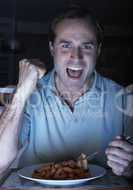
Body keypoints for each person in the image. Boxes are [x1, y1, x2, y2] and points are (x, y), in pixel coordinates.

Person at [0, 6, 133, 178]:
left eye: (86, 46)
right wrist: (21, 91)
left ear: (98, 50)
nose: (76, 57)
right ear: (52, 49)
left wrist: (130, 168)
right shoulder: (29, 95)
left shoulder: (123, 98)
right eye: (65, 45)